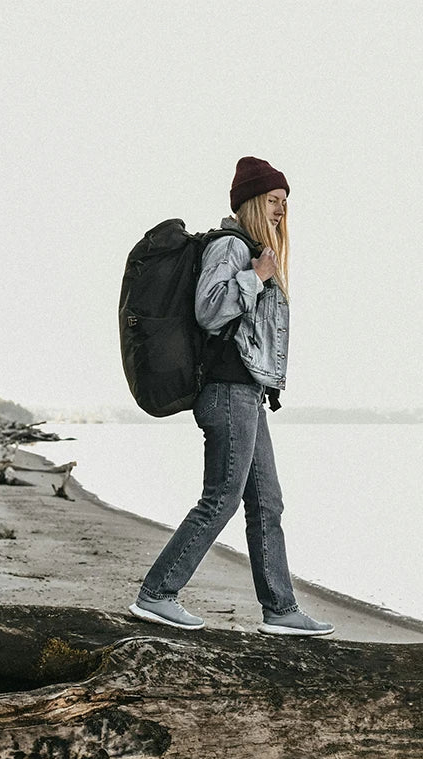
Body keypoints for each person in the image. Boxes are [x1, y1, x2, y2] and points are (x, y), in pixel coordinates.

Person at [129, 156, 334, 636]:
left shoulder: (254, 250)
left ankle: (280, 610)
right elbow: (208, 309)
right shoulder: (229, 246)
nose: (282, 210)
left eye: (285, 202)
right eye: (274, 201)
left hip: (247, 393)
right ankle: (157, 594)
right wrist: (256, 277)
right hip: (225, 392)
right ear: (251, 202)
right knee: (220, 497)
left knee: (268, 503)